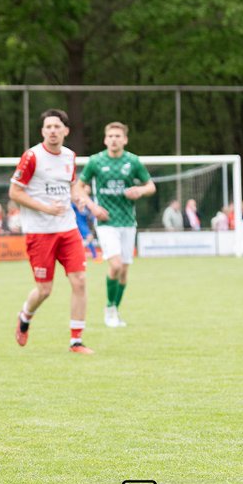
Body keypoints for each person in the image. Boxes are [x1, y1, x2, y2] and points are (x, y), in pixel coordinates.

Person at [10, 109, 97, 356]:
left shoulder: (70, 156)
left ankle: (76, 341)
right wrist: (46, 208)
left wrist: (81, 200)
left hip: (67, 229)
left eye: (57, 127)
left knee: (80, 281)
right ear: (42, 131)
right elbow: (14, 193)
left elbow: (72, 187)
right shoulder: (32, 157)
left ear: (66, 131)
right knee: (45, 290)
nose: (52, 131)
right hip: (40, 232)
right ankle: (25, 316)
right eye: (48, 127)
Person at [77, 121, 155, 328]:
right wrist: (93, 207)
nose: (114, 139)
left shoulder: (133, 162)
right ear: (105, 139)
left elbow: (150, 186)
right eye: (110, 136)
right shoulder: (95, 161)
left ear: (125, 140)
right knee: (116, 265)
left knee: (124, 272)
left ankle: (114, 309)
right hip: (106, 222)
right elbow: (79, 187)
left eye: (118, 136)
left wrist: (140, 191)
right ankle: (109, 309)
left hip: (128, 221)